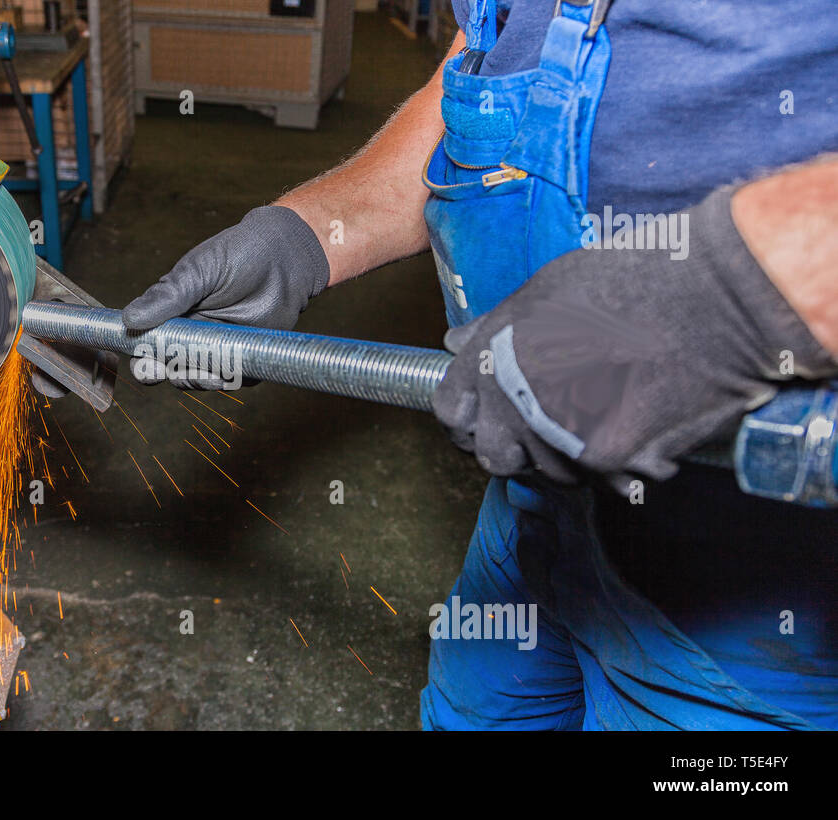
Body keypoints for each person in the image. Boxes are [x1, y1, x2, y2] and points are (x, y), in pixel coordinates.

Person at [121, 0, 838, 729]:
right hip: (534, 501)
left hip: (763, 588)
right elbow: (482, 75)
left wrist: (720, 300)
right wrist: (308, 235)